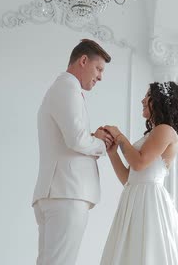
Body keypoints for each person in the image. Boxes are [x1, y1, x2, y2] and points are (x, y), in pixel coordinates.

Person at [32, 39, 114, 265]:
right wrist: (102, 143)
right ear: (83, 61)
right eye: (98, 68)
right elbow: (77, 139)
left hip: (57, 192)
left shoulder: (62, 88)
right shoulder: (68, 86)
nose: (100, 77)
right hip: (67, 192)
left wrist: (93, 139)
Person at [100, 81, 178, 265]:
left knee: (149, 251)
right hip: (134, 197)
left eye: (148, 95)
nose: (143, 100)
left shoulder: (165, 130)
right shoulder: (152, 133)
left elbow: (140, 162)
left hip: (149, 201)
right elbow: (129, 178)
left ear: (160, 100)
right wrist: (113, 153)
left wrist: (119, 136)